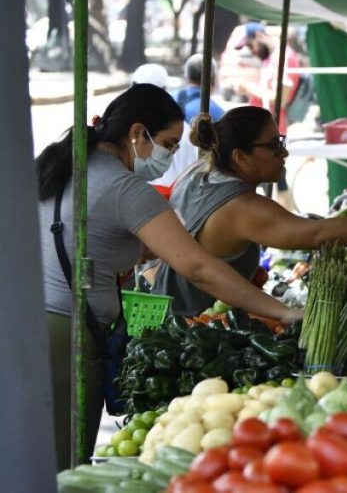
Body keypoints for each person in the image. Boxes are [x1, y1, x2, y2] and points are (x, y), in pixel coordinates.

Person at [36, 85, 303, 470]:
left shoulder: (63, 163)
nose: (172, 155)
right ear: (137, 133)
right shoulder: (125, 189)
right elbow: (198, 268)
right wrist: (281, 312)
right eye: (169, 143)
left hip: (27, 323)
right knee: (61, 465)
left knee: (30, 455)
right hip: (66, 337)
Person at [153, 106, 347, 316]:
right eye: (274, 146)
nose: (284, 154)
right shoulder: (241, 206)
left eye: (281, 142)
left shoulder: (199, 172)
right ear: (241, 157)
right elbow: (315, 234)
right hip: (188, 323)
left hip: (168, 304)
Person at [236, 22, 299, 210]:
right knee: (271, 182)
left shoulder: (283, 57)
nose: (252, 51)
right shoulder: (271, 58)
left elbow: (282, 98)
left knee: (276, 181)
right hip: (264, 131)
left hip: (271, 132)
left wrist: (249, 87)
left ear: (260, 36)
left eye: (251, 45)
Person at [152, 54, 226, 189]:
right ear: (214, 80)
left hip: (159, 180)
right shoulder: (216, 113)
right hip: (196, 185)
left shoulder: (164, 102)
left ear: (186, 77)